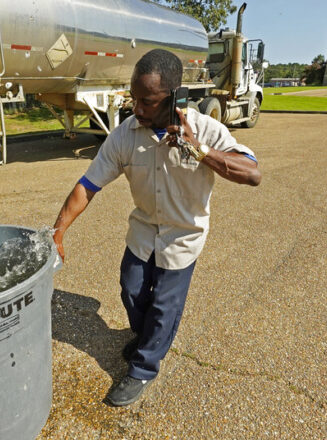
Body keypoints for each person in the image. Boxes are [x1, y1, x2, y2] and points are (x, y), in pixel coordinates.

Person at [52, 48, 261, 407]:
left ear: (175, 96)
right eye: (134, 99)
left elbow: (252, 174)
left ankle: (144, 367)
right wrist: (58, 232)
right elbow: (88, 185)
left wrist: (200, 151)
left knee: (164, 306)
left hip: (183, 236)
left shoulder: (207, 130)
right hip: (144, 232)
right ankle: (148, 336)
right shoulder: (125, 134)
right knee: (131, 291)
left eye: (147, 101)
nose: (137, 108)